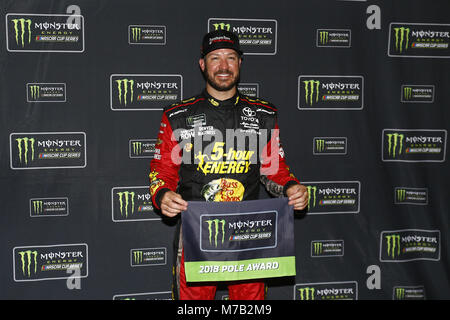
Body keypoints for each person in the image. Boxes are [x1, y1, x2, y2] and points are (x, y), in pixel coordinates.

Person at [149, 28, 308, 300]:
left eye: (231, 57)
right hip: (196, 234)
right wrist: (162, 195)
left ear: (240, 63)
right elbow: (161, 171)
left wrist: (292, 188)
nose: (223, 66)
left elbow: (274, 171)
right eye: (215, 58)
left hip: (250, 235)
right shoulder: (177, 116)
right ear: (203, 64)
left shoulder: (263, 115)